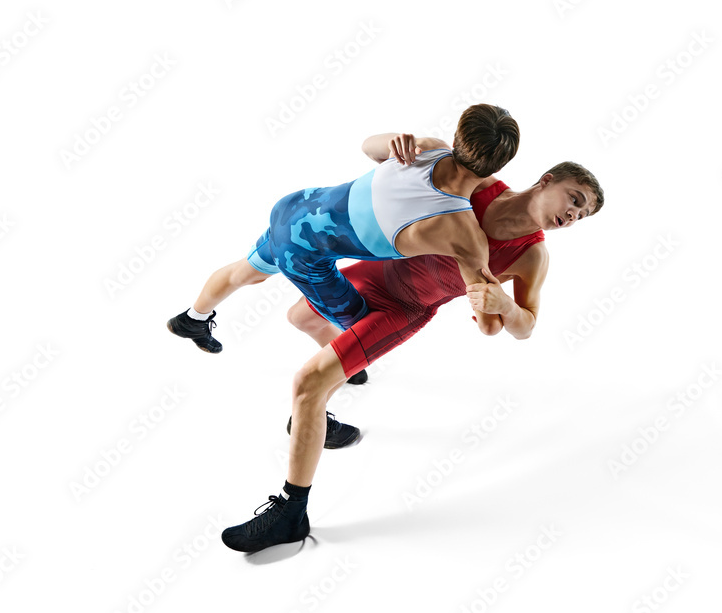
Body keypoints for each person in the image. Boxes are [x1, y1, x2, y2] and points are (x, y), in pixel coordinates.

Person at [219, 133, 604, 552]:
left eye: (582, 216)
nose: (573, 214)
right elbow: (376, 153)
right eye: (575, 199)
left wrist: (505, 308)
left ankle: (291, 513)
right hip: (373, 271)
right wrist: (395, 143)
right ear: (546, 180)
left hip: (402, 308)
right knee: (300, 316)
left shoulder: (531, 256)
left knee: (308, 384)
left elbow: (525, 326)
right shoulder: (480, 181)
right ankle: (328, 401)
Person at [166, 104, 520, 355]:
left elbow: (369, 147)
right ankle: (320, 406)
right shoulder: (466, 234)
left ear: (458, 135)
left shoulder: (429, 148)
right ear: (502, 164)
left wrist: (391, 140)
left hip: (296, 206)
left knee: (248, 271)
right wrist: (501, 304)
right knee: (364, 330)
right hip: (303, 252)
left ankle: (192, 319)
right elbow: (489, 326)